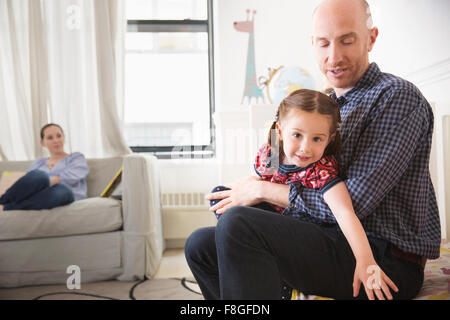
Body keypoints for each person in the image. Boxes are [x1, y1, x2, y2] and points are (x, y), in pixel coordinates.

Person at [184, 0, 441, 300]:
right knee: (200, 245)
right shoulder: (322, 106)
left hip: (381, 260)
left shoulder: (396, 97)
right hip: (325, 238)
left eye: (347, 40)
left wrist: (262, 191)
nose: (334, 56)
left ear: (371, 38)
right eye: (323, 43)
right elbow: (282, 165)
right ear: (313, 44)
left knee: (238, 225)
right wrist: (258, 184)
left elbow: (353, 205)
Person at [210, 89, 399, 300]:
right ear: (280, 132)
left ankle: (282, 281)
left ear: (330, 139)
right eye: (297, 135)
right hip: (273, 219)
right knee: (219, 199)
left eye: (317, 139)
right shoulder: (272, 152)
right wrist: (239, 193)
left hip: (305, 231)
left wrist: (366, 261)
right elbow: (257, 180)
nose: (305, 148)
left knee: (238, 221)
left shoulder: (320, 169)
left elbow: (345, 213)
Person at [0, 123, 89, 211]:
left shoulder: (76, 157)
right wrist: (40, 182)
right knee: (39, 175)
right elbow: (27, 184)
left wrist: (42, 183)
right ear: (43, 143)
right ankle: (3, 201)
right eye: (50, 138)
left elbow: (72, 177)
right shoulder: (37, 163)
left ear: (64, 138)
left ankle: (7, 207)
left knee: (62, 189)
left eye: (59, 136)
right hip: (41, 196)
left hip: (66, 195)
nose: (56, 140)